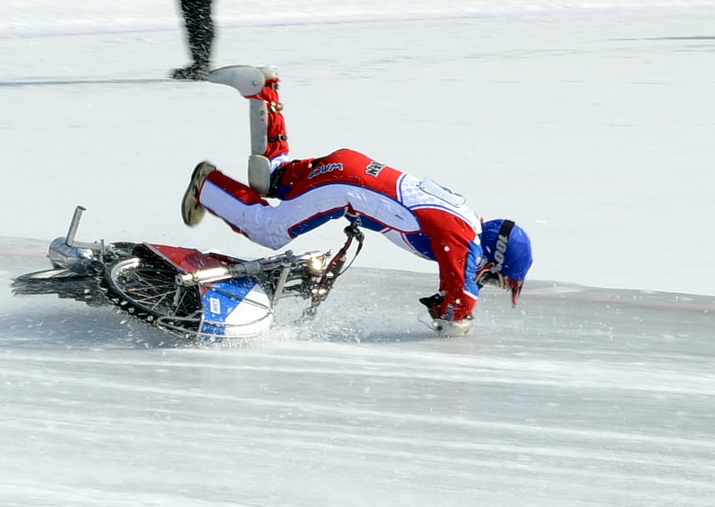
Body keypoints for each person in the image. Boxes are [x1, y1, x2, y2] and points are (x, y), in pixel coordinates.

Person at [180, 65, 534, 336]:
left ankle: (263, 91)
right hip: (344, 187)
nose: (485, 279)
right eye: (494, 277)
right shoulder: (463, 238)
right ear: (493, 257)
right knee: (268, 230)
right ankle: (207, 186)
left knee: (271, 178)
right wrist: (455, 322)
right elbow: (460, 301)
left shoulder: (465, 218)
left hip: (353, 167)